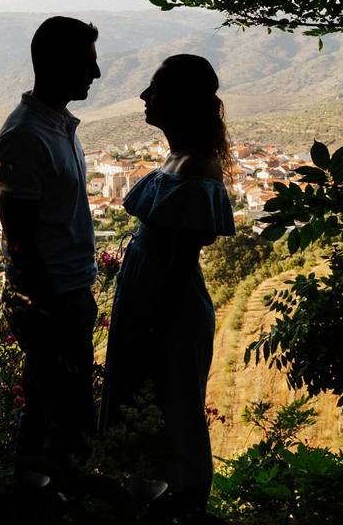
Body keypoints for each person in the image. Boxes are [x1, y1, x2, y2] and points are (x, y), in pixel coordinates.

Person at [98, 54, 235, 520]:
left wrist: (147, 320)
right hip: (150, 298)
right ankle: (149, 499)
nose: (142, 96)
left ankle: (183, 503)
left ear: (178, 100)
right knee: (149, 400)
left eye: (154, 88)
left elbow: (177, 258)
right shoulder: (180, 158)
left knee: (172, 402)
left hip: (167, 306)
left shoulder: (197, 167)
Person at [0, 16, 102, 485]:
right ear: (58, 65)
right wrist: (48, 309)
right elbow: (20, 239)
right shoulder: (25, 137)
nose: (96, 74)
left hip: (68, 292)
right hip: (51, 299)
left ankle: (38, 497)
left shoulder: (58, 127)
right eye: (88, 63)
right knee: (61, 416)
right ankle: (45, 498)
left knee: (52, 405)